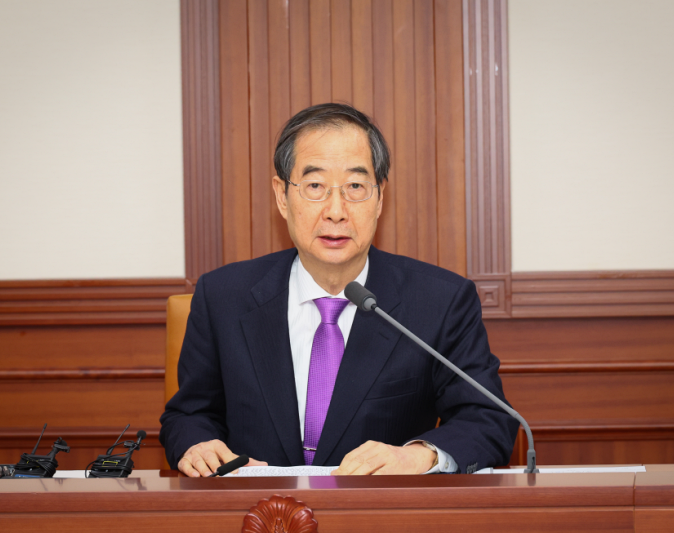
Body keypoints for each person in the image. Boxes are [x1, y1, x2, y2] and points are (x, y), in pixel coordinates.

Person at [160, 103, 518, 476]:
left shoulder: (440, 301)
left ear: (380, 197)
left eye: (355, 187)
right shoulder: (223, 297)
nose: (336, 211)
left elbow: (488, 419)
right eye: (315, 186)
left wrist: (419, 455)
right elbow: (189, 415)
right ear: (282, 196)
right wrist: (197, 445)